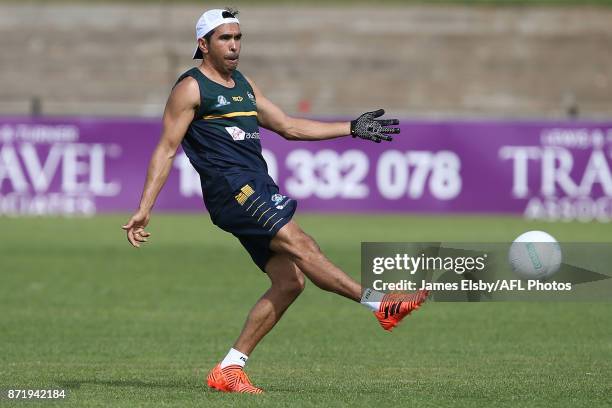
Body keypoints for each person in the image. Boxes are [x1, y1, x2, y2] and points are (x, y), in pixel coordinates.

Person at [122, 8, 428, 394]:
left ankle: (230, 368)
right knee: (301, 244)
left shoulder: (243, 85)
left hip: (256, 186)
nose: (233, 46)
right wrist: (145, 207)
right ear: (203, 44)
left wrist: (351, 128)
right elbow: (166, 150)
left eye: (237, 38)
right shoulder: (191, 88)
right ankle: (381, 304)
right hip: (234, 191)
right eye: (224, 38)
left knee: (289, 281)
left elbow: (289, 126)